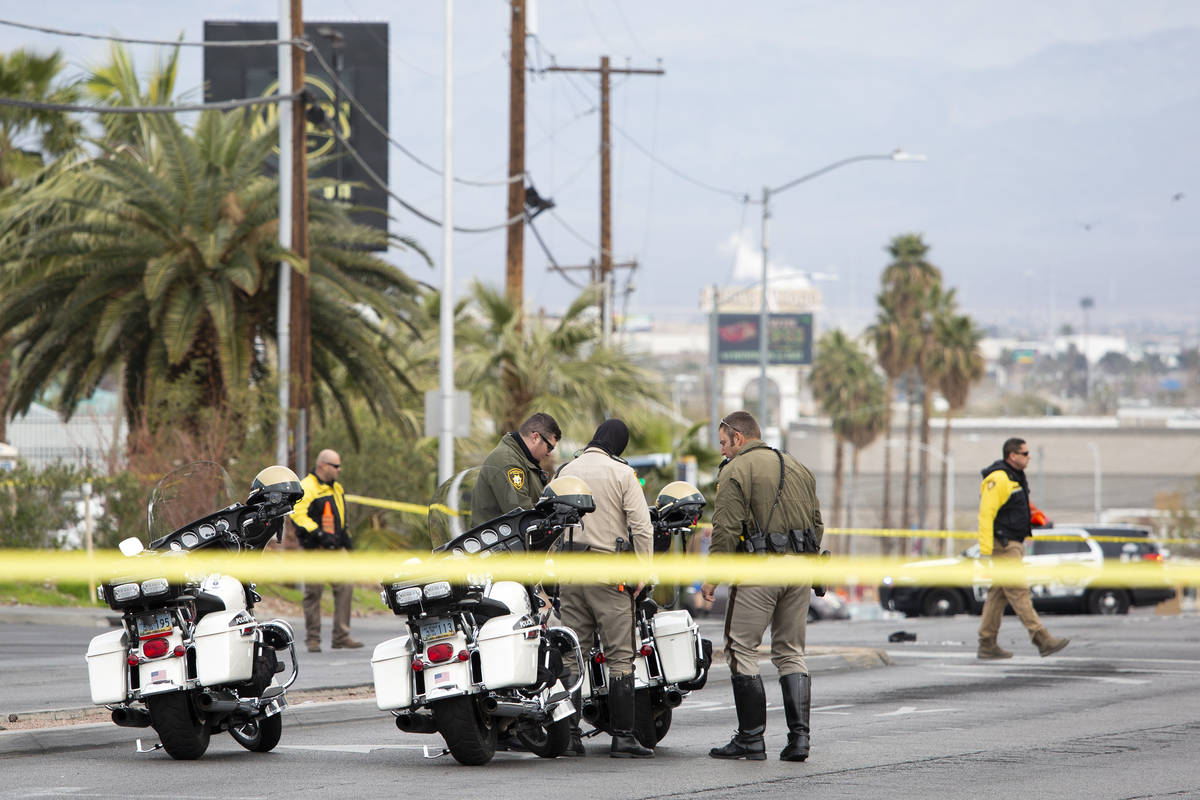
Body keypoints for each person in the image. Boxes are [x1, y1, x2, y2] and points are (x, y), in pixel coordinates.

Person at [700, 410, 823, 763]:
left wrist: (712, 577)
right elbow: (817, 525)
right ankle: (800, 741)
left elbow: (725, 529)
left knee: (742, 648)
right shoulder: (799, 467)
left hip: (759, 572)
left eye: (724, 443)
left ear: (738, 438)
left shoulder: (737, 470)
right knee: (791, 652)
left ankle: (751, 740)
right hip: (799, 571)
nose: (722, 450)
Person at [556, 418, 655, 758]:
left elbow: (550, 523)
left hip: (571, 575)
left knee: (574, 656)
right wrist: (644, 569)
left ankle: (569, 737)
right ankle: (623, 738)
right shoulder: (622, 474)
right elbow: (642, 526)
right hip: (609, 575)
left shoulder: (565, 471)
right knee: (620, 658)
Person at [976, 438, 1070, 659]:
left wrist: (1035, 518)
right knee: (1019, 592)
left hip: (1014, 543)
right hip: (1004, 545)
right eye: (1025, 453)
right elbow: (985, 515)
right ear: (1012, 456)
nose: (1029, 457)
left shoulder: (1014, 477)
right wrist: (985, 550)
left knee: (998, 595)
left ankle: (987, 643)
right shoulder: (998, 479)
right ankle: (1042, 639)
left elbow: (1015, 509)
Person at [290, 449, 361, 653]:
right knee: (313, 594)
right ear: (323, 465)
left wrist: (345, 539)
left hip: (337, 549)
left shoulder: (337, 488)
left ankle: (341, 636)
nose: (339, 470)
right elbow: (298, 515)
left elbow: (340, 516)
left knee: (345, 586)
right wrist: (319, 534)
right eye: (336, 466)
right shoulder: (307, 487)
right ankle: (313, 639)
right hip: (316, 550)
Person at [471, 412, 561, 523]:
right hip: (498, 538)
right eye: (549, 447)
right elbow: (521, 513)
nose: (549, 454)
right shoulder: (508, 461)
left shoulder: (523, 460)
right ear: (535, 437)